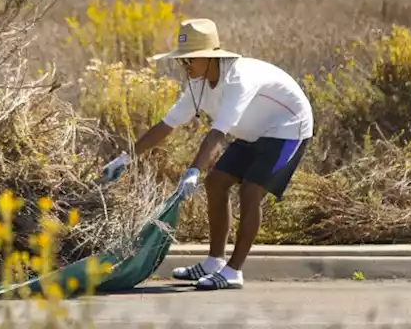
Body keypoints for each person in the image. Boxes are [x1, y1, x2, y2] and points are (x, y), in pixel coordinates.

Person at [99, 18, 314, 291]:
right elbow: (165, 125)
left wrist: (192, 172)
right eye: (182, 61)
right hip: (253, 131)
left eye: (190, 60)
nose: (185, 67)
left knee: (250, 191)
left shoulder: (238, 80)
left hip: (288, 128)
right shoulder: (198, 85)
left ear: (210, 58)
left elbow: (218, 134)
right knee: (216, 182)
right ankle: (214, 262)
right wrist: (125, 158)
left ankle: (233, 272)